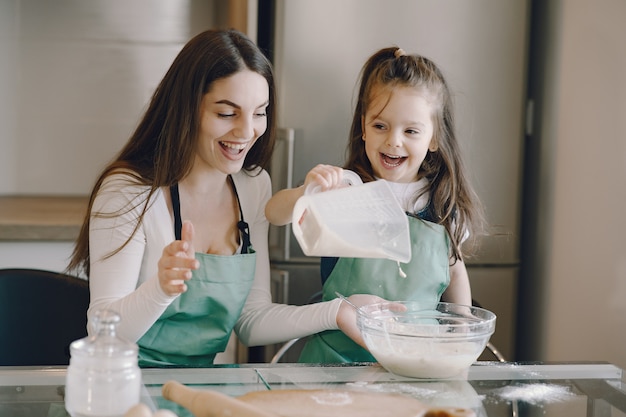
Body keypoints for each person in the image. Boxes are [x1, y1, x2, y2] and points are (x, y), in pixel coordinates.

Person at [67, 29, 375, 367]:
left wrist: (338, 312)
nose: (246, 132)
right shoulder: (129, 191)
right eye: (227, 113)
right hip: (120, 387)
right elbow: (103, 332)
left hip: (197, 389)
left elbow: (251, 320)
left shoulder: (252, 186)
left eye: (259, 112)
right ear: (187, 109)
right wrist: (160, 288)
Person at [265, 46, 485, 363]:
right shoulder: (344, 192)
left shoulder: (443, 207)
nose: (393, 140)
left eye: (411, 130)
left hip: (415, 362)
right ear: (364, 127)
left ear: (434, 139)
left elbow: (455, 270)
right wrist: (306, 191)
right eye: (380, 126)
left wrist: (462, 332)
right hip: (336, 366)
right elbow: (272, 213)